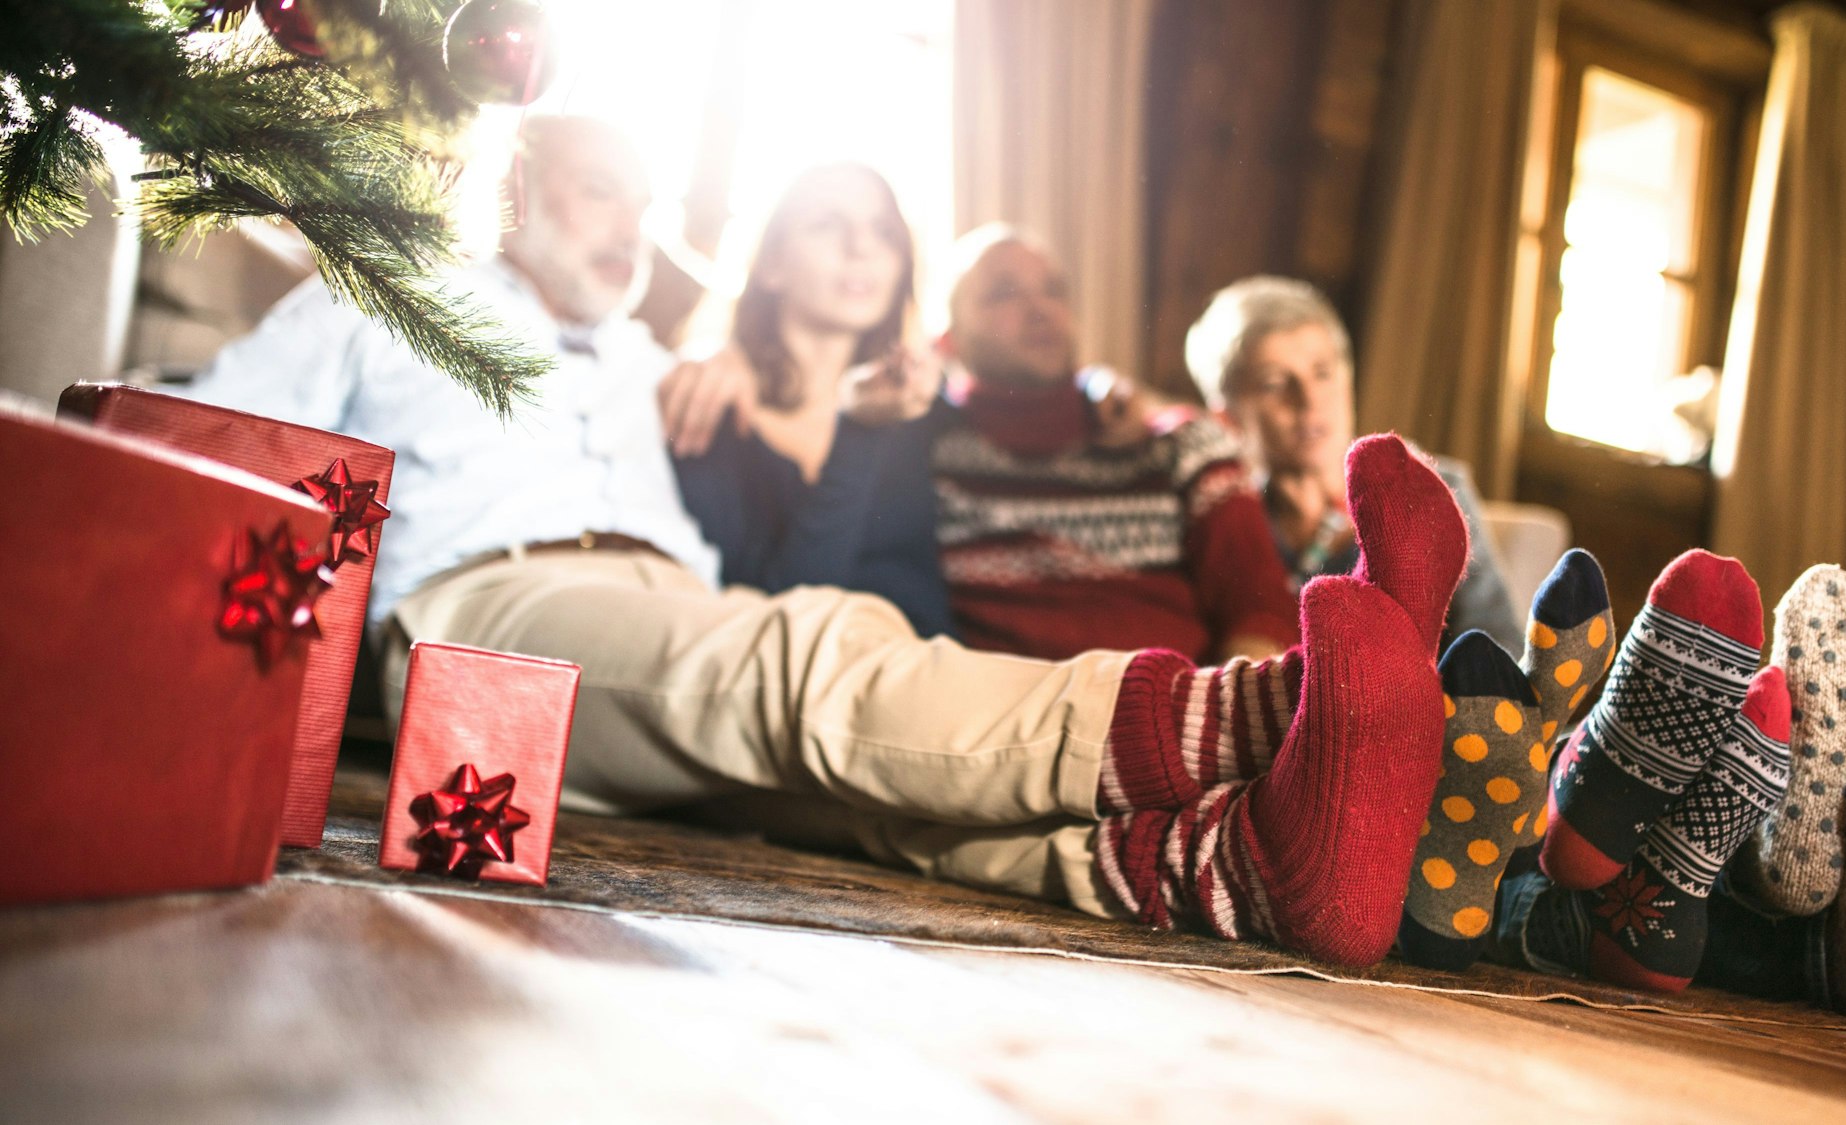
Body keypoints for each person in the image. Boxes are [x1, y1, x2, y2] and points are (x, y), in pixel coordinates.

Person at [183, 114, 1477, 971]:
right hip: (478, 625)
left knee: (874, 797)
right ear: (514, 188)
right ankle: (1272, 713)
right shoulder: (385, 300)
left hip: (643, 647)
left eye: (644, 205)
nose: (629, 227)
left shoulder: (655, 368)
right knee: (796, 657)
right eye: (596, 194)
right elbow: (206, 444)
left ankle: (1247, 869)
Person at [927, 227, 1299, 663]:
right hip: (1010, 722)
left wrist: (1219, 720)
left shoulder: (1183, 447)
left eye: (1054, 290)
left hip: (1185, 713)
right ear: (947, 340)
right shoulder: (926, 454)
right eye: (1004, 293)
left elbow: (1262, 614)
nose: (1040, 309)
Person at [667, 163, 953, 638]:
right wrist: (859, 430)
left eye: (882, 231)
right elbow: (786, 617)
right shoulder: (708, 411)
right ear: (770, 265)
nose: (861, 248)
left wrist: (1102, 392)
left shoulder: (924, 409)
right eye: (827, 225)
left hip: (942, 678)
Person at [1184, 276, 1521, 655]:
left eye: (1323, 373)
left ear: (1348, 380)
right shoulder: (1226, 515)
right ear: (1227, 417)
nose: (1309, 400)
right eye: (1274, 384)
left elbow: (1499, 648)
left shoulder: (1430, 487)